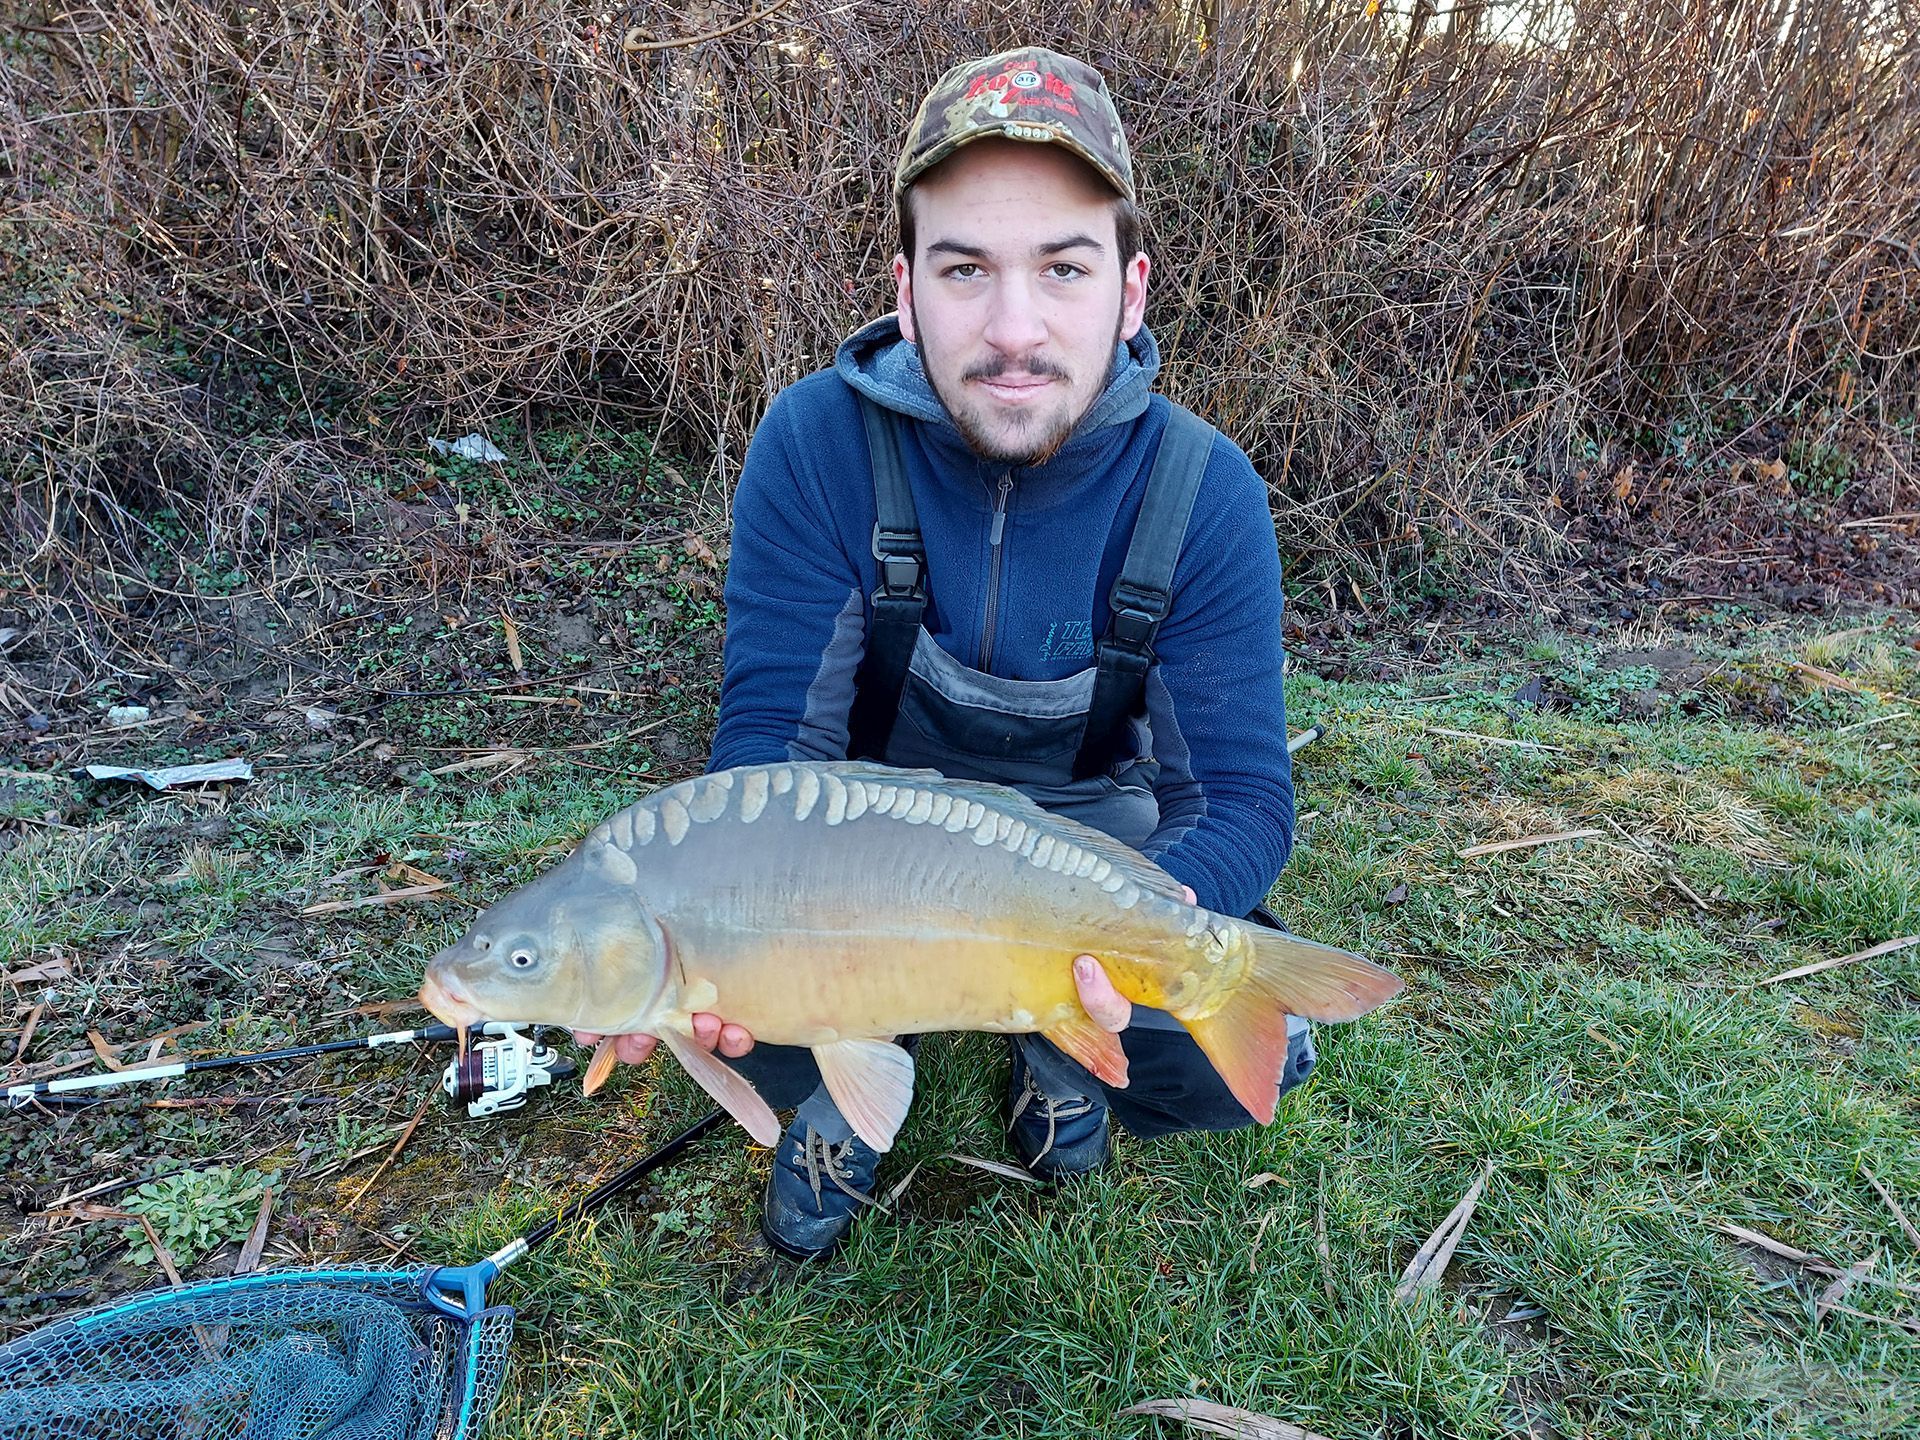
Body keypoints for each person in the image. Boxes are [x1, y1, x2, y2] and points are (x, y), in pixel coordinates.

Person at [579, 47, 1310, 1260]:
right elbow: (771, 750)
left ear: (1129, 293)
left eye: (1062, 270)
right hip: (858, 838)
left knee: (1222, 1040)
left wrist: (1140, 926)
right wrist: (716, 931)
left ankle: (1054, 1044)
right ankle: (845, 1094)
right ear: (907, 287)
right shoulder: (816, 442)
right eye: (965, 269)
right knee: (720, 974)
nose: (1012, 329)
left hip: (1088, 831)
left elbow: (1240, 798)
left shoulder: (1204, 492)